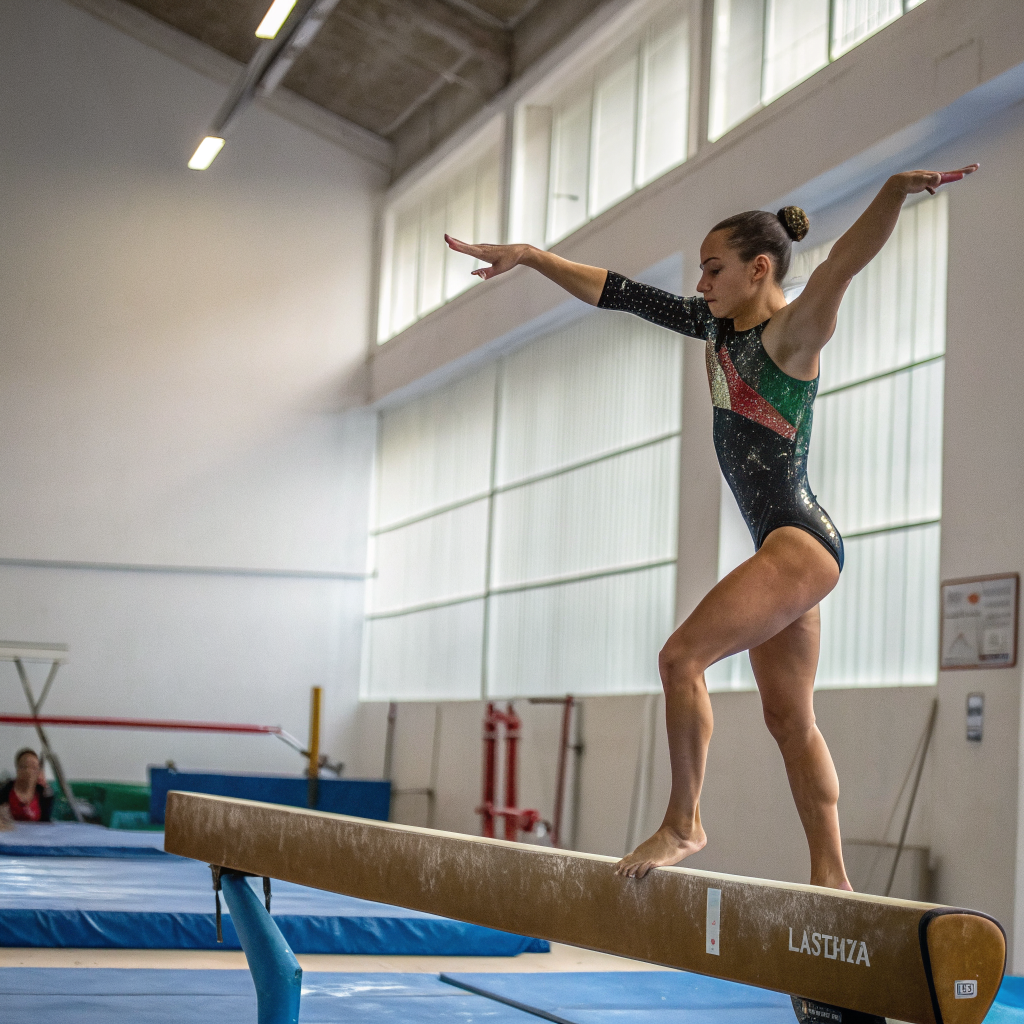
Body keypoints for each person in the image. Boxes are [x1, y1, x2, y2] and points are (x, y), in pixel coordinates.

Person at [445, 164, 977, 888]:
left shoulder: (793, 333)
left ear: (760, 269)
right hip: (787, 546)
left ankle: (683, 822)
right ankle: (833, 878)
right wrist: (533, 257)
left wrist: (892, 191)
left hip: (798, 540)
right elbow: (617, 292)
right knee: (790, 721)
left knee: (680, 660)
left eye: (713, 268)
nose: (700, 283)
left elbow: (843, 265)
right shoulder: (712, 326)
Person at [0, 748, 54, 823]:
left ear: (39, 771)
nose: (29, 771)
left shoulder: (44, 795)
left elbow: (46, 824)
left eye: (34, 767)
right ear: (17, 769)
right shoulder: (5, 792)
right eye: (24, 767)